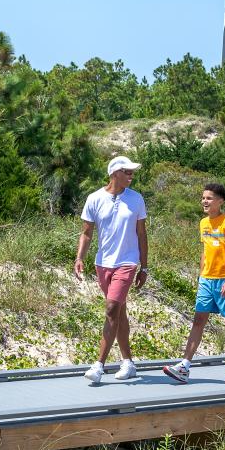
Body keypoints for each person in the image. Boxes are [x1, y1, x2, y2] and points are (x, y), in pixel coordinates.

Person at [75, 155, 149, 384]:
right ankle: (128, 362)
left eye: (132, 172)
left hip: (127, 262)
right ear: (115, 172)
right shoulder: (94, 198)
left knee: (111, 308)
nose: (131, 175)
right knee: (119, 312)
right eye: (127, 172)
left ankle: (99, 365)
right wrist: (79, 258)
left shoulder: (136, 199)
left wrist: (144, 266)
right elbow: (87, 233)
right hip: (102, 263)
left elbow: (142, 234)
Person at [163, 183, 225, 384]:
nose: (204, 201)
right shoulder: (203, 223)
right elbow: (205, 251)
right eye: (203, 198)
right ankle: (184, 366)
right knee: (199, 319)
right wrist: (201, 275)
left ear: (220, 201)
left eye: (209, 198)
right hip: (206, 279)